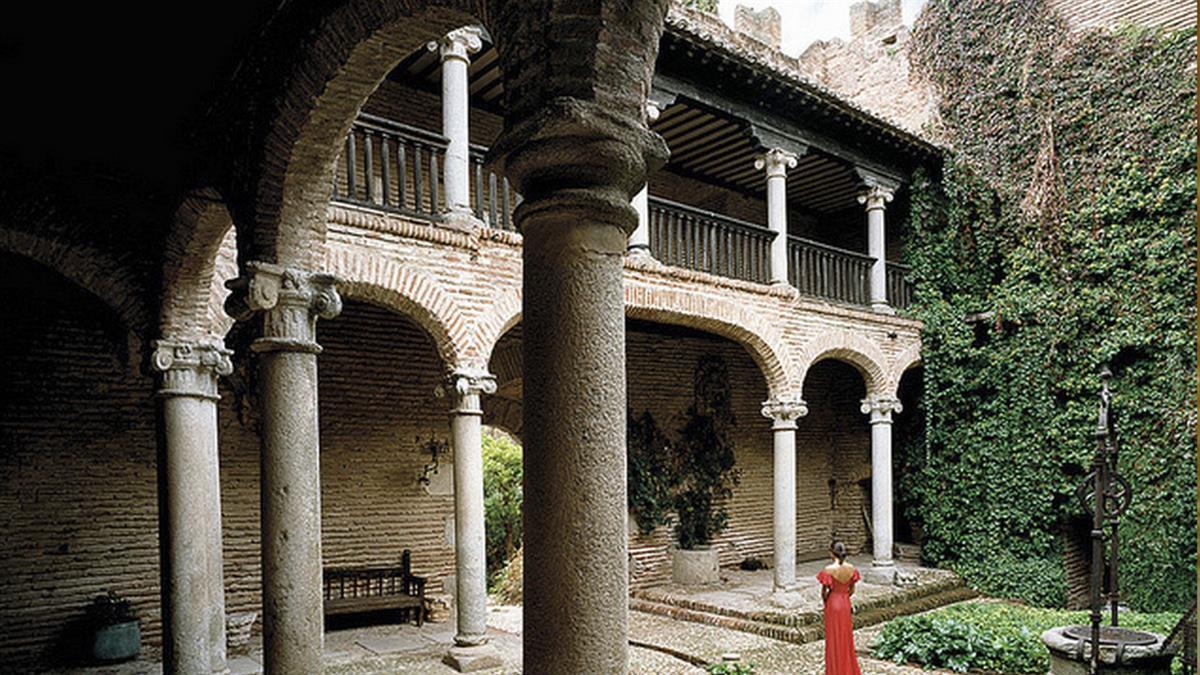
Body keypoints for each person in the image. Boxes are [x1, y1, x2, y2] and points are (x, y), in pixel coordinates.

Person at [817, 541, 861, 675]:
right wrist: (844, 597)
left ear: (832, 553)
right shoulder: (852, 569)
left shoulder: (828, 570)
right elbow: (852, 590)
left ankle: (834, 670)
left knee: (833, 638)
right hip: (845, 602)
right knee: (845, 636)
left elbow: (823, 593)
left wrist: (827, 601)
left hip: (833, 602)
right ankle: (846, 668)